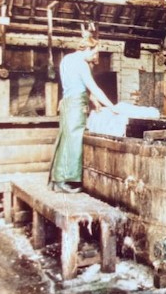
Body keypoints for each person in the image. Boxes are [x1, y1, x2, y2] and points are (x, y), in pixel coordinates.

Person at [49, 31, 116, 193]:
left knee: (65, 138)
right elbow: (93, 87)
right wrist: (112, 107)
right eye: (95, 52)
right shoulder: (81, 63)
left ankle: (58, 179)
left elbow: (74, 84)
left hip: (67, 103)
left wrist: (91, 98)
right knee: (74, 140)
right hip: (76, 105)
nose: (95, 56)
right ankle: (65, 181)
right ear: (87, 48)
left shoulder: (67, 59)